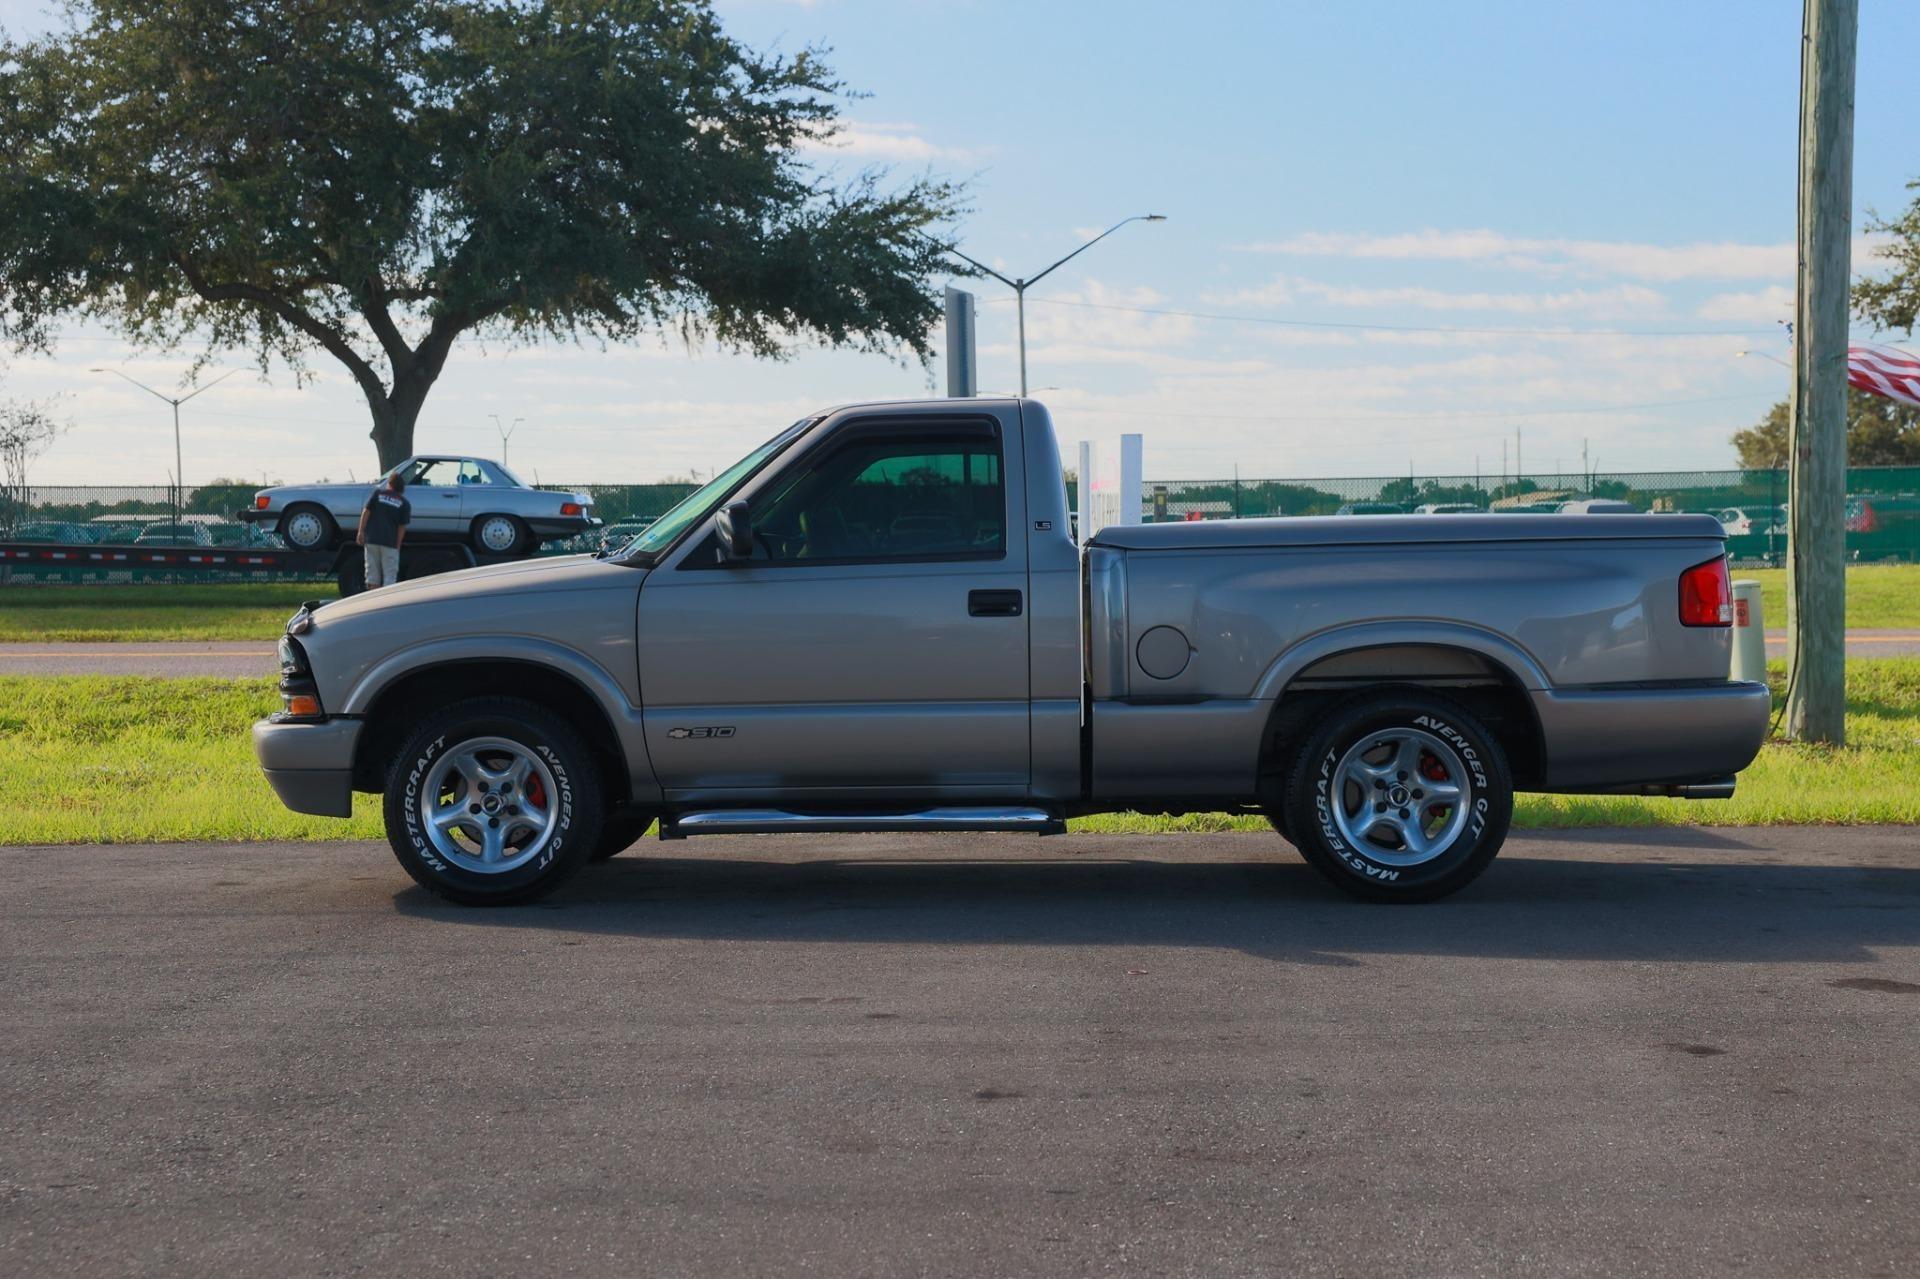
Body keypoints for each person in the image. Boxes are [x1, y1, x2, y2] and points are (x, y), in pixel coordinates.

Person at [357, 471, 411, 589]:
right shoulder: (404, 503)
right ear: (401, 488)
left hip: (372, 540)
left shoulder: (377, 494)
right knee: (389, 577)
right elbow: (401, 527)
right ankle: (388, 599)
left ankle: (373, 598)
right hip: (389, 543)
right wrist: (397, 545)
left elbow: (366, 512)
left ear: (389, 484)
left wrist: (360, 532)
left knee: (372, 576)